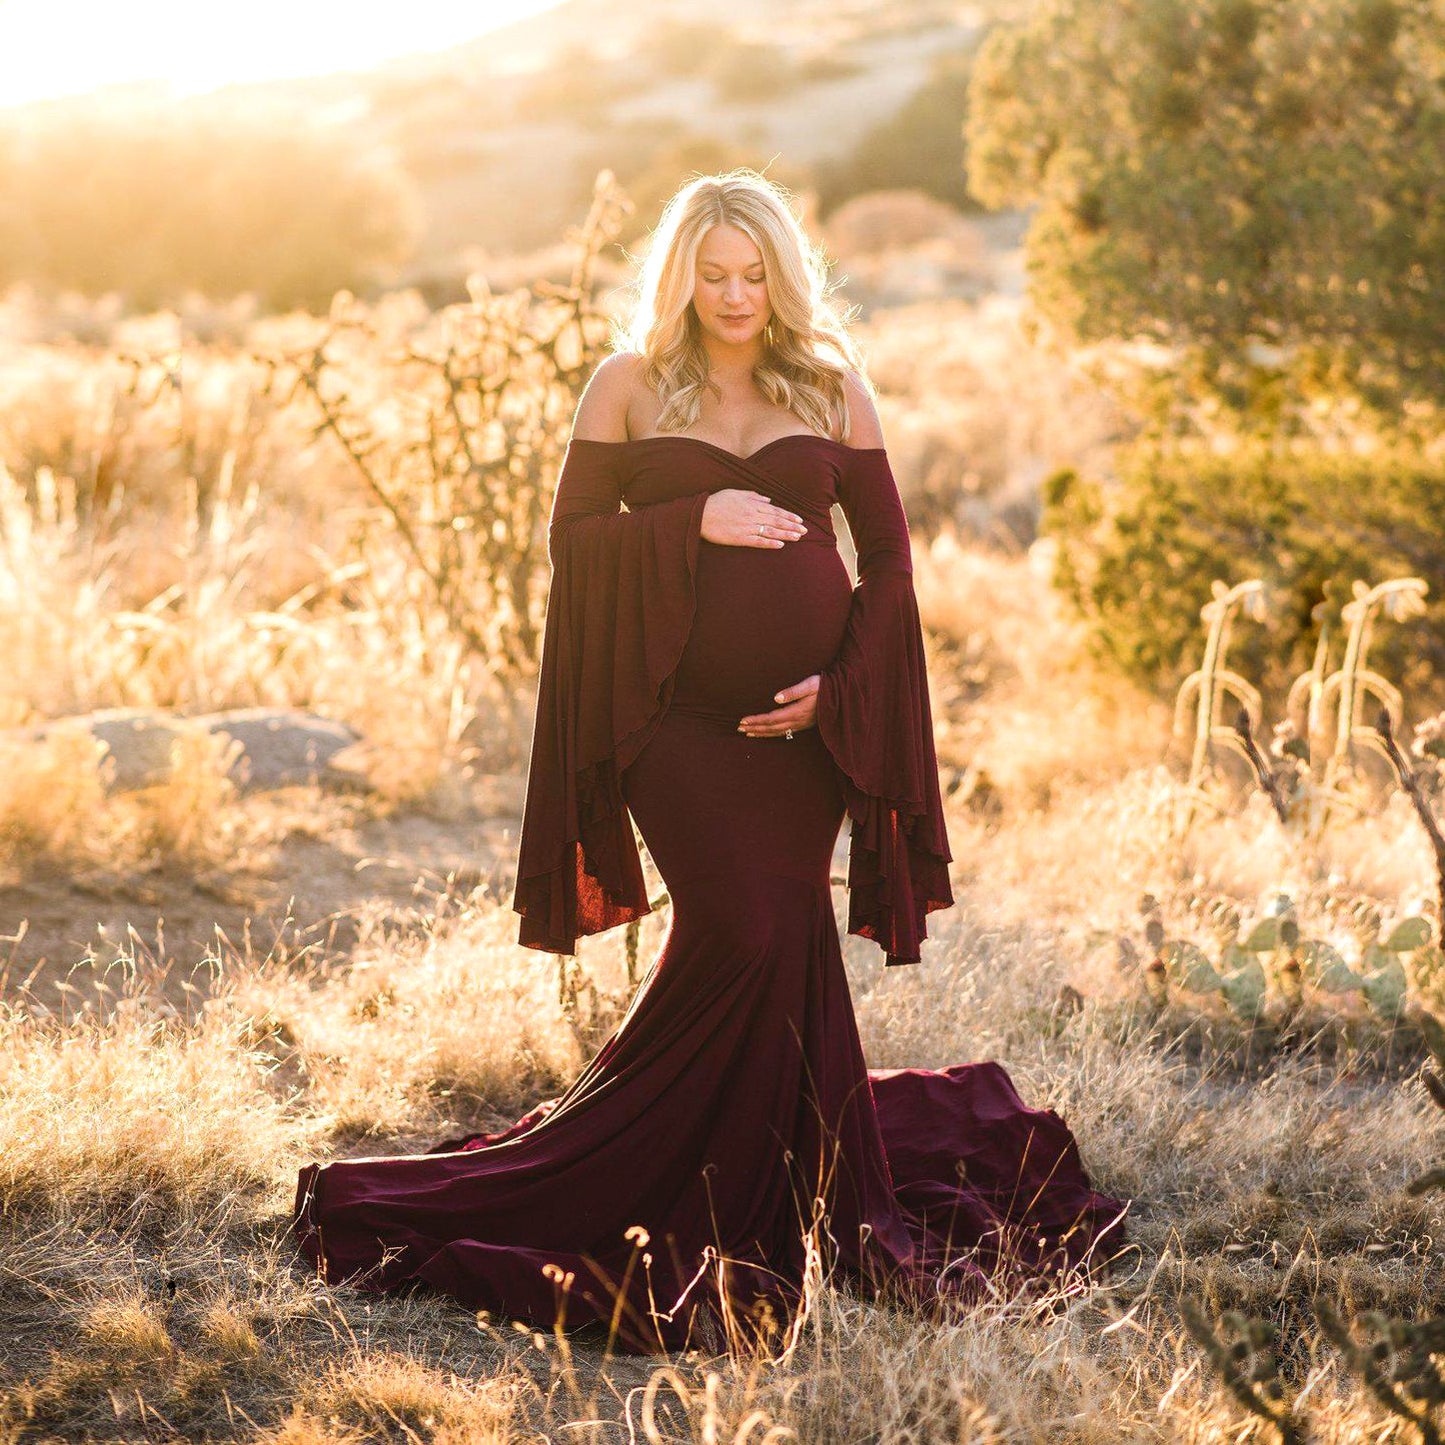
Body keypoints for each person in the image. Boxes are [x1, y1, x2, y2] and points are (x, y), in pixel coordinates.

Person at [293, 170, 1128, 1355]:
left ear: (782, 276)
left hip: (809, 736)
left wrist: (838, 697)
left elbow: (887, 564)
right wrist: (694, 519)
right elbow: (570, 544)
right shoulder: (627, 387)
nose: (735, 296)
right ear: (678, 276)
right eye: (712, 273)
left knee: (773, 936)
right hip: (673, 728)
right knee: (738, 925)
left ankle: (770, 1177)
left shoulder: (830, 384)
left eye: (755, 274)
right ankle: (605, 1166)